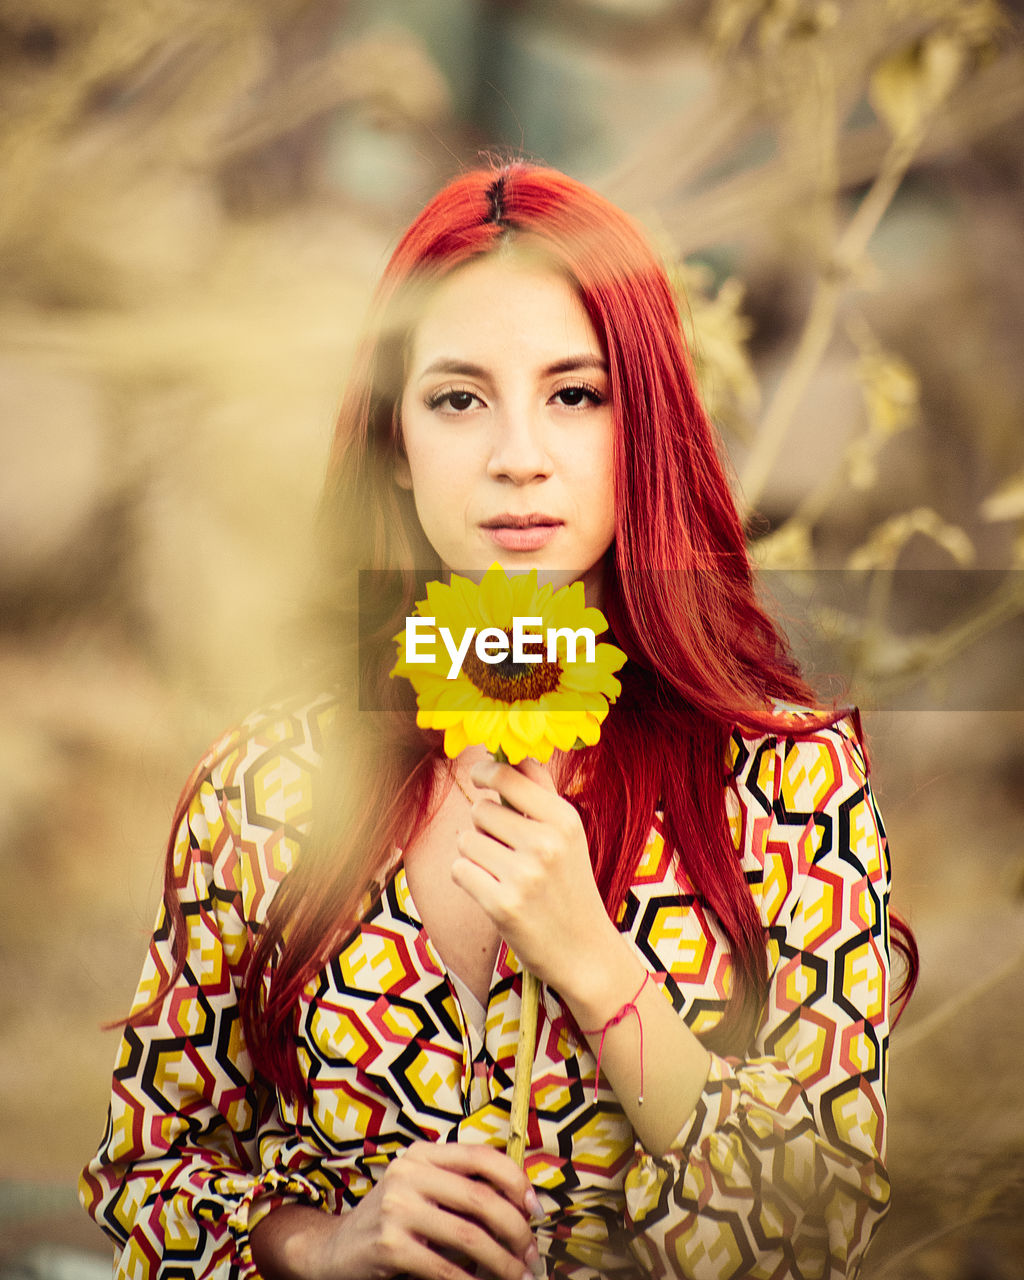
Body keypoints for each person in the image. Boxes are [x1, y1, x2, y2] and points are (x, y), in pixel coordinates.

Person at [80, 162, 916, 1280]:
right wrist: (320, 1244)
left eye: (574, 393)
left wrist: (590, 956)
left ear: (644, 429)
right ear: (396, 439)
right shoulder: (270, 781)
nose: (517, 454)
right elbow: (146, 1167)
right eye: (458, 397)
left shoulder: (788, 782)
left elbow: (816, 1227)